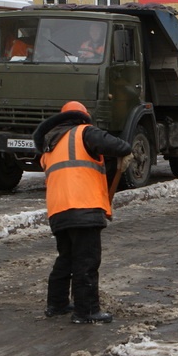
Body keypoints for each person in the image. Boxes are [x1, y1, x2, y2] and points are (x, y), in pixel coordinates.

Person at [32, 100, 132, 324]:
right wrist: (126, 152)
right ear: (83, 117)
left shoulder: (49, 146)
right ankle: (86, 311)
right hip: (83, 207)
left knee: (66, 259)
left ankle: (56, 305)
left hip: (58, 211)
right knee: (86, 261)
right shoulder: (84, 133)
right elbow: (119, 146)